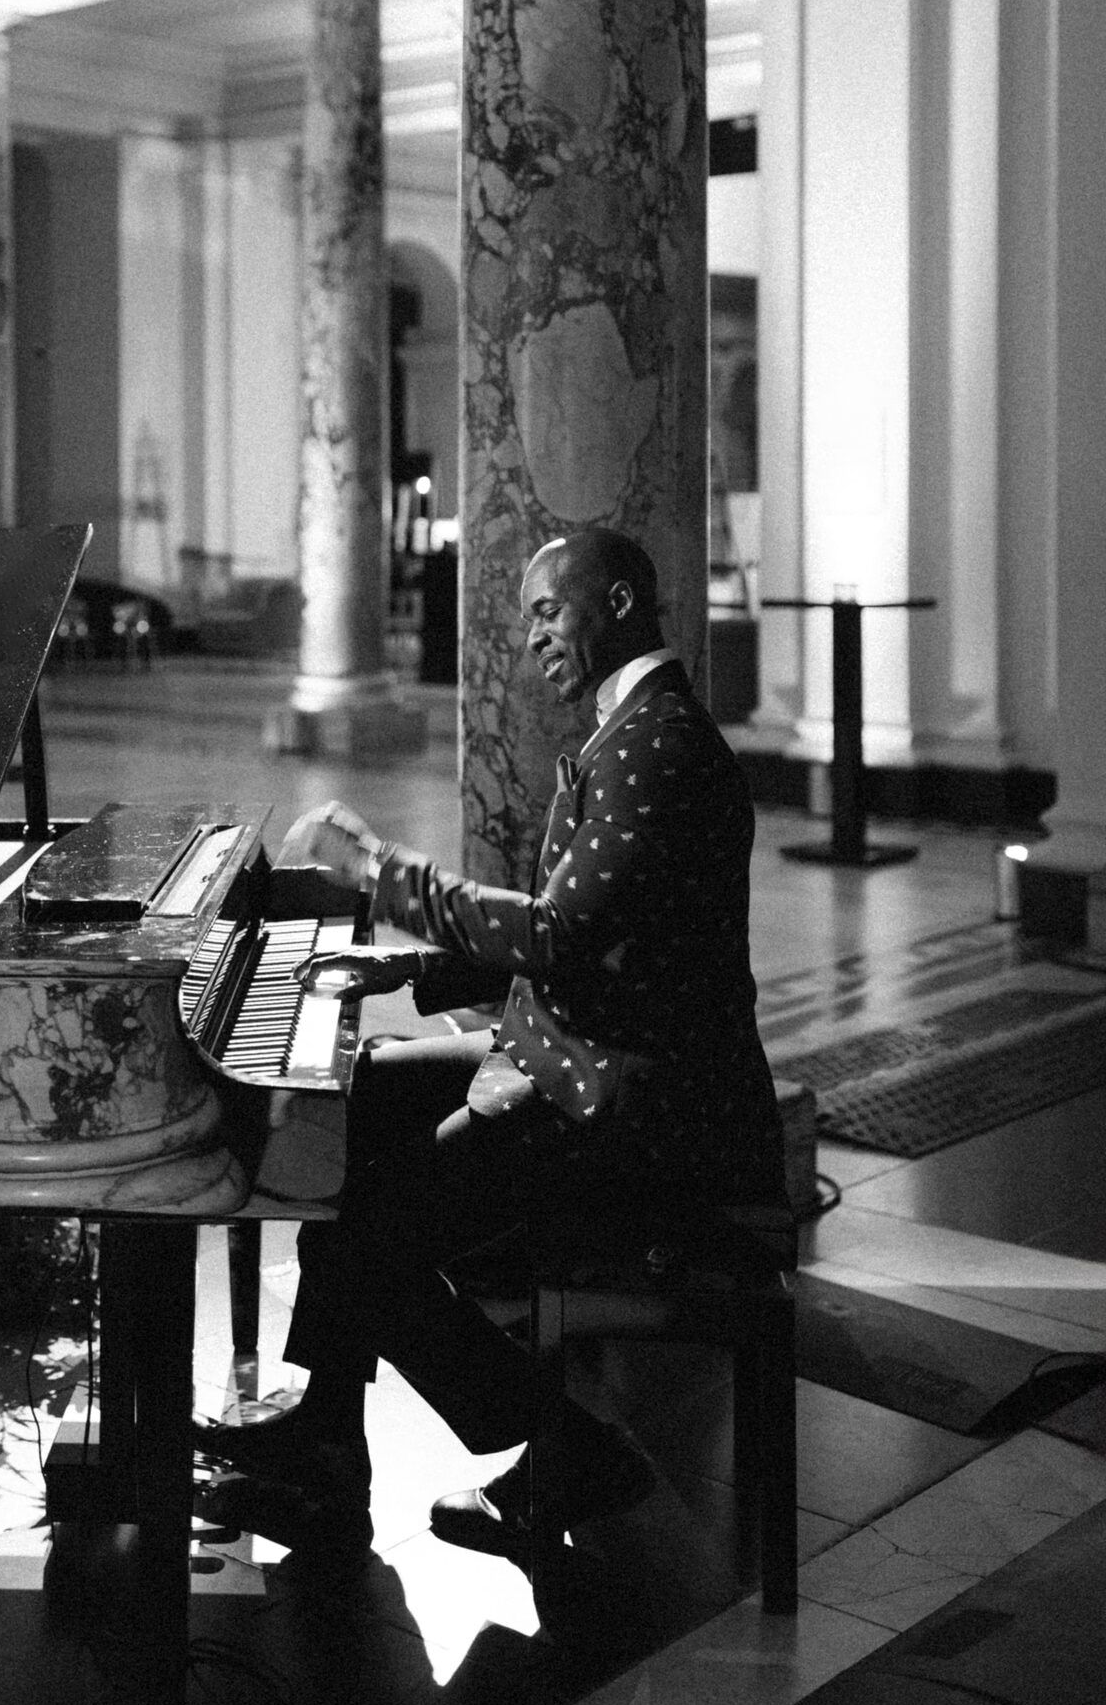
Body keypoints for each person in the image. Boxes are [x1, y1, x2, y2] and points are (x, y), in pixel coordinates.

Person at [197, 527, 787, 1570]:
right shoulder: (636, 732)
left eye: (547, 612)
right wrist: (410, 978)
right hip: (587, 1063)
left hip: (642, 1112)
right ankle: (330, 1444)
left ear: (614, 601)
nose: (531, 642)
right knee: (364, 1088)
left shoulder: (655, 745)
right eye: (525, 622)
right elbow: (588, 946)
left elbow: (557, 939)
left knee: (358, 1239)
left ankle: (575, 1451)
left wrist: (387, 873)